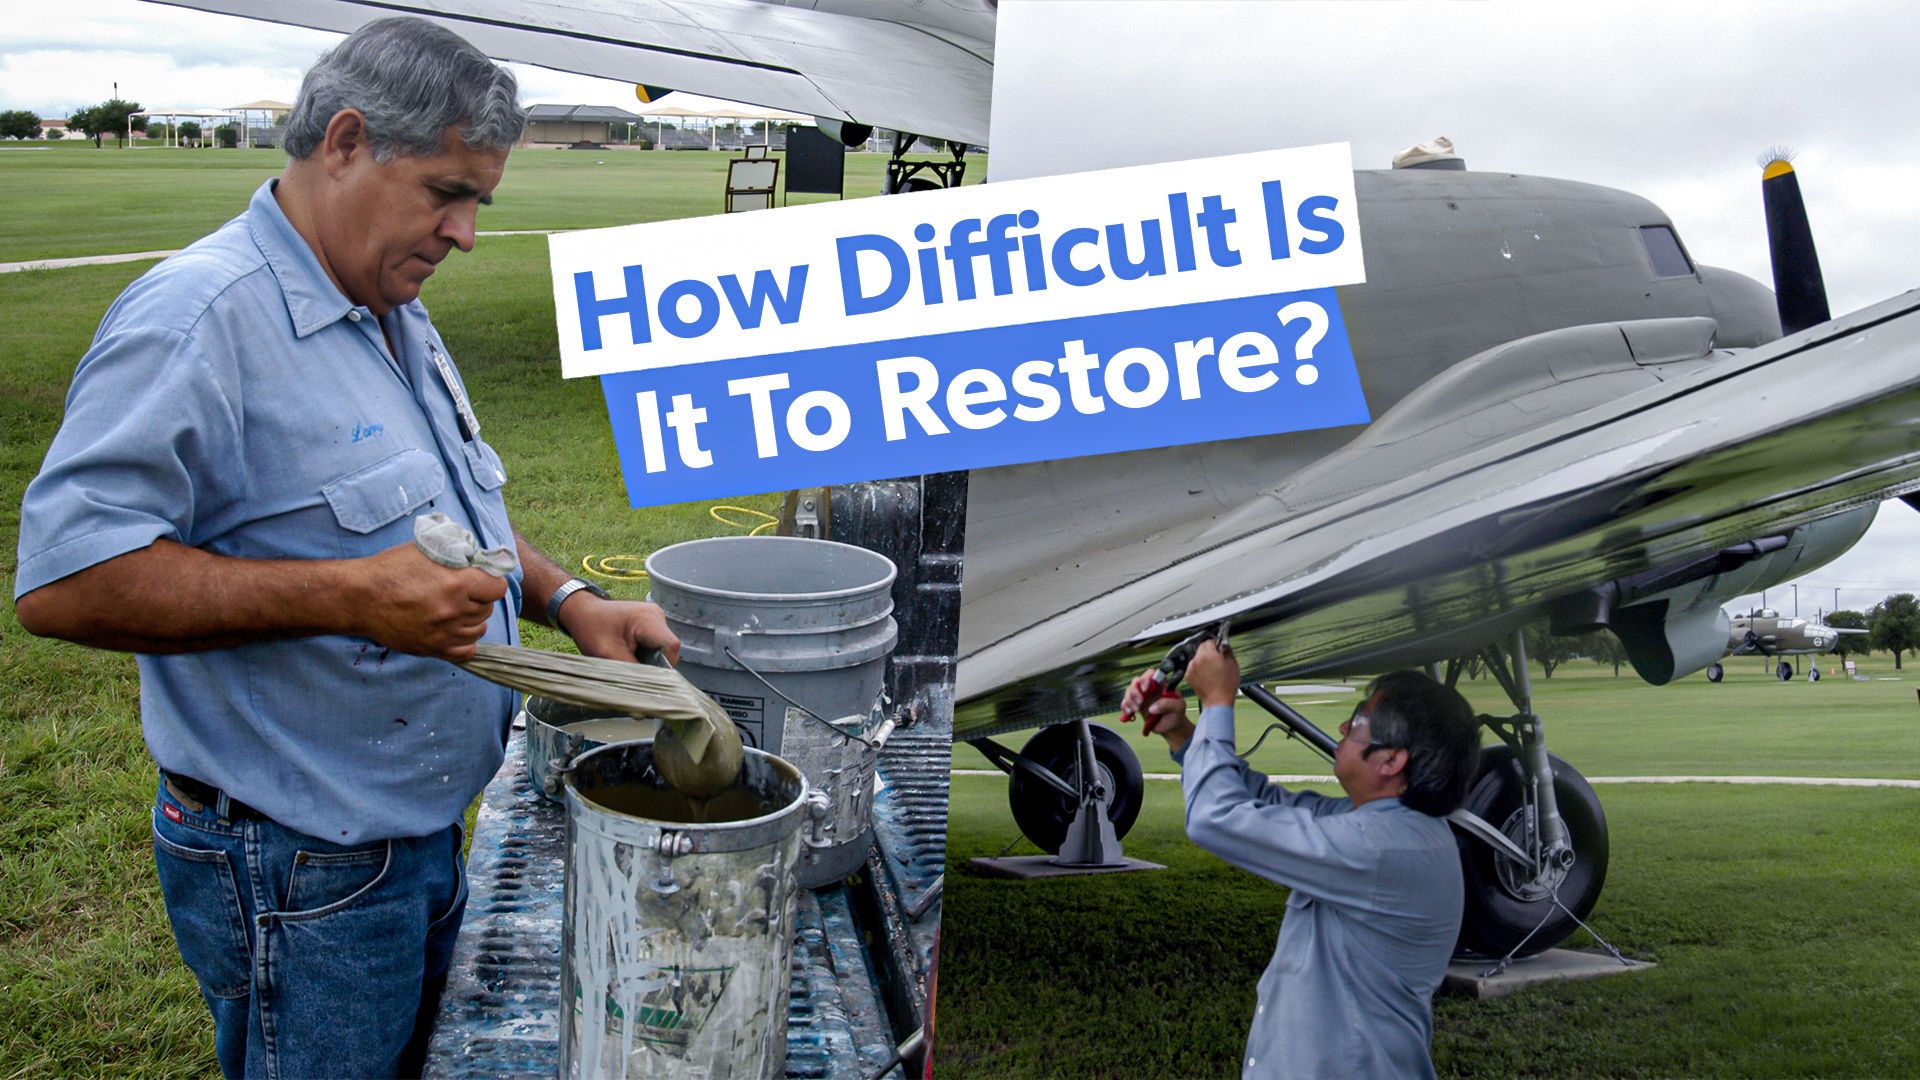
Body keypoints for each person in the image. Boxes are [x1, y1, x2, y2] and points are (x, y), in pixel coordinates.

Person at [13, 18, 678, 1079]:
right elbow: (64, 582)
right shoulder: (201, 319)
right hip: (300, 868)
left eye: (479, 202)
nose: (464, 232)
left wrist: (572, 599)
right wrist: (347, 597)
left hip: (402, 837)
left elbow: (452, 510)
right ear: (347, 142)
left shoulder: (384, 303)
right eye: (445, 193)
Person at [1123, 642, 1481, 1079]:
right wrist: (1185, 735)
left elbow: (1216, 818)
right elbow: (1265, 802)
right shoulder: (1389, 829)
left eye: (1360, 722)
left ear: (1391, 759)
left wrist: (1219, 701)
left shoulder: (1382, 848)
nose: (1344, 725)